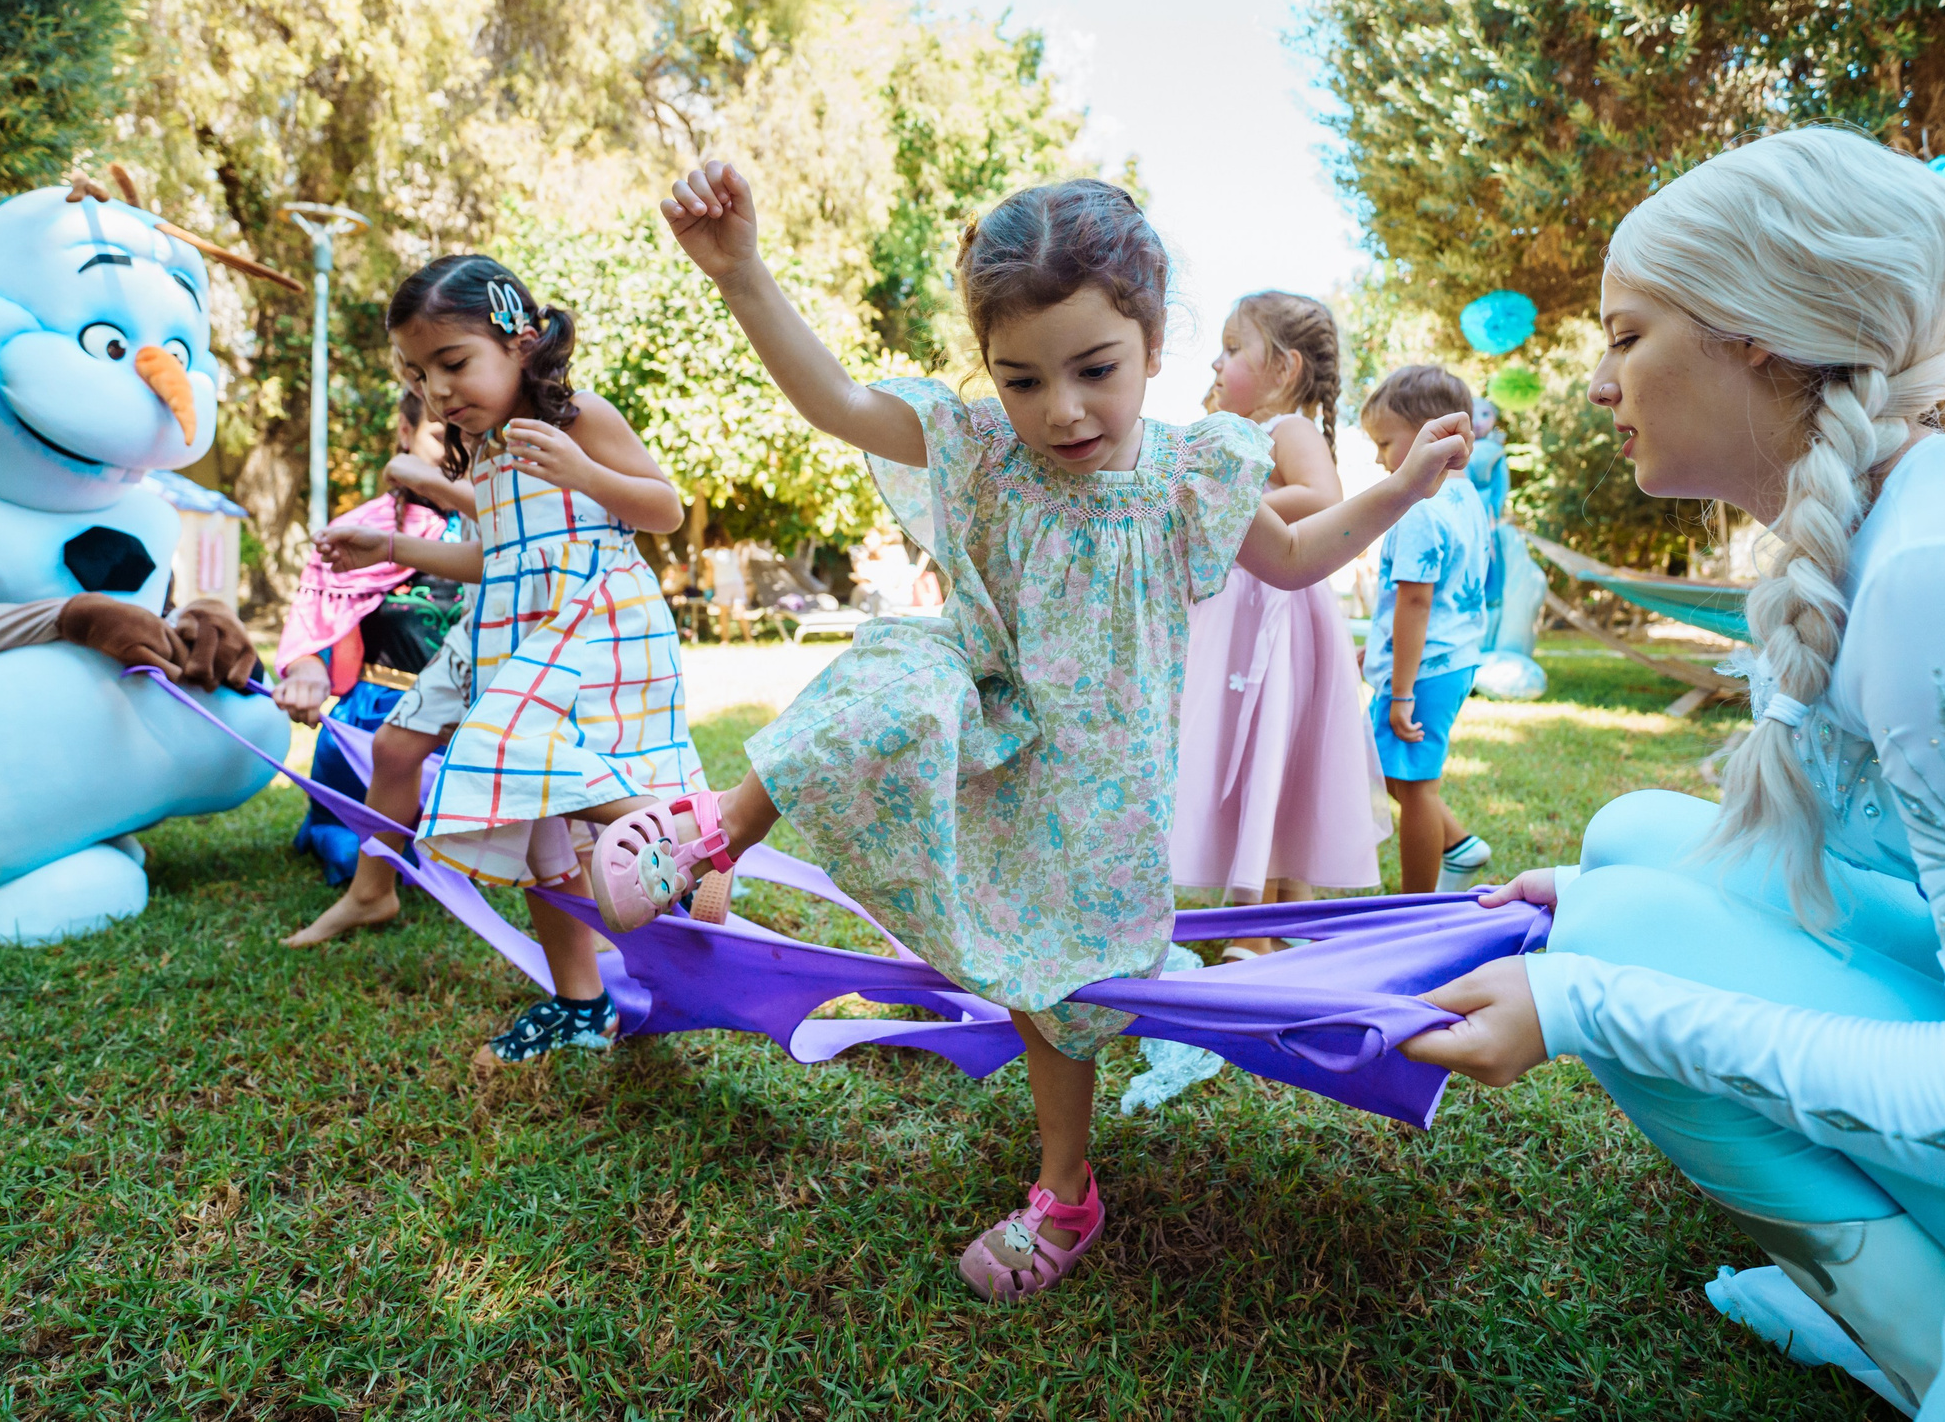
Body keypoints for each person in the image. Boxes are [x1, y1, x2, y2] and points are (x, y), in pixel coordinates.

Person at [1400, 125, 1945, 1419]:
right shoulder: (1907, 518)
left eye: (1625, 333)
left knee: (1625, 935)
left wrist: (1593, 1006)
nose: (1601, 385)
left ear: (1753, 335)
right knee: (1630, 847)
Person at [630, 161, 1474, 1302]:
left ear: (1153, 342)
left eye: (1094, 370)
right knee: (890, 678)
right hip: (975, 693)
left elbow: (1296, 555)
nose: (1060, 410)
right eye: (1021, 379)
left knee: (1057, 992)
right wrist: (741, 275)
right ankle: (713, 830)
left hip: (1095, 784)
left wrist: (1402, 491)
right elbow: (833, 400)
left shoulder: (1191, 472)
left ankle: (1065, 1191)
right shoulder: (983, 448)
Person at [312, 256, 705, 1063]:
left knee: (515, 764)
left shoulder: (578, 417)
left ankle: (688, 835)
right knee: (531, 821)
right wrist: (387, 546)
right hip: (518, 630)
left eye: (453, 362)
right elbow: (498, 558)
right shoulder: (481, 452)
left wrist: (586, 471)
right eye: (420, 374)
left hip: (593, 623)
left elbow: (663, 508)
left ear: (522, 342)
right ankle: (579, 1002)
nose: (439, 390)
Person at [1169, 292, 1389, 959]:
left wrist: (1233, 501)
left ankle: (1254, 929)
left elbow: (1324, 498)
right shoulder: (1243, 434)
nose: (1216, 359)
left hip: (1274, 613)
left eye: (1234, 348)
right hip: (1243, 614)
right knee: (1253, 753)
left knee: (1265, 754)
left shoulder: (1286, 430)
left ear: (1284, 368)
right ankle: (1289, 910)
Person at [269, 393, 475, 885]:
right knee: (351, 850)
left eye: (467, 435)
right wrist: (309, 668)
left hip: (471, 727)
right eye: (438, 432)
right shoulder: (360, 530)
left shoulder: (507, 525)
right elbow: (319, 617)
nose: (456, 448)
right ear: (404, 433)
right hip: (376, 720)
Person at [1359, 365, 1497, 893]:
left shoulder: (1420, 507)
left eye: (1384, 442)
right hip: (1452, 659)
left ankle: (1414, 908)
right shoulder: (1468, 498)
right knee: (1400, 775)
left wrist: (1400, 690)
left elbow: (1415, 603)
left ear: (1427, 435)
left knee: (1415, 788)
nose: (1377, 457)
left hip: (1424, 670)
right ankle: (1460, 847)